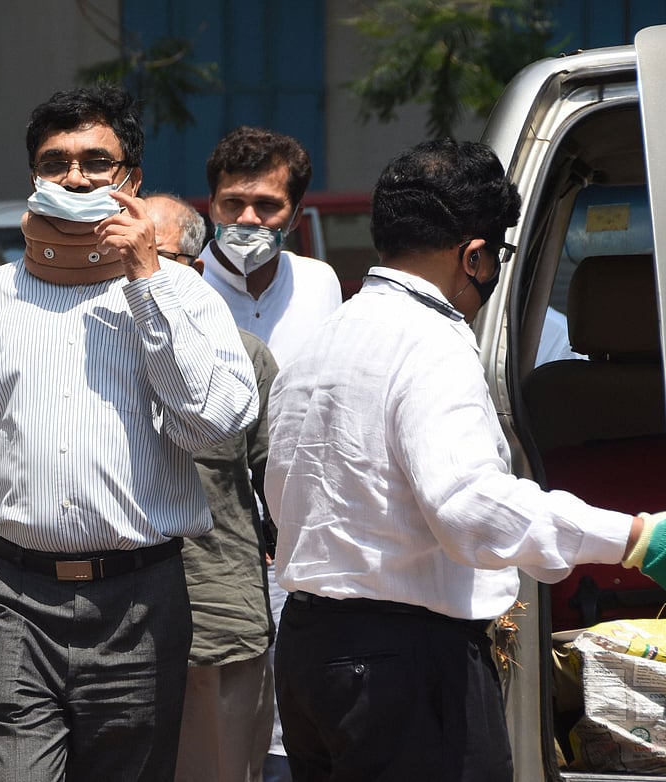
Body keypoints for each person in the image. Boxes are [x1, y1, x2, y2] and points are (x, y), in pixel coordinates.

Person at [263, 138, 666, 781]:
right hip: (404, 667)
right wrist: (636, 537)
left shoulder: (324, 341)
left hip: (314, 654)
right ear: (472, 255)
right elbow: (470, 508)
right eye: (496, 257)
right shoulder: (432, 344)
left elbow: (282, 495)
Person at [0, 85, 259, 782]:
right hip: (15, 604)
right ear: (35, 177)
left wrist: (146, 280)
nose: (77, 177)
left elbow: (215, 421)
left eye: (96, 161)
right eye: (57, 162)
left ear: (133, 181)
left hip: (141, 605)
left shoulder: (181, 296)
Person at [199, 125, 341, 781]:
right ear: (211, 206)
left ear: (294, 212)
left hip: (311, 537)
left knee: (299, 717)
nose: (248, 220)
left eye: (267, 206)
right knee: (225, 726)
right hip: (217, 541)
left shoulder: (321, 284)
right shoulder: (180, 291)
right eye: (233, 204)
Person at [146, 193, 278, 782]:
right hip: (105, 627)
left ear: (195, 270)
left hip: (215, 616)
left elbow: (281, 486)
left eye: (153, 254)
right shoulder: (84, 354)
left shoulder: (242, 360)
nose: (133, 268)